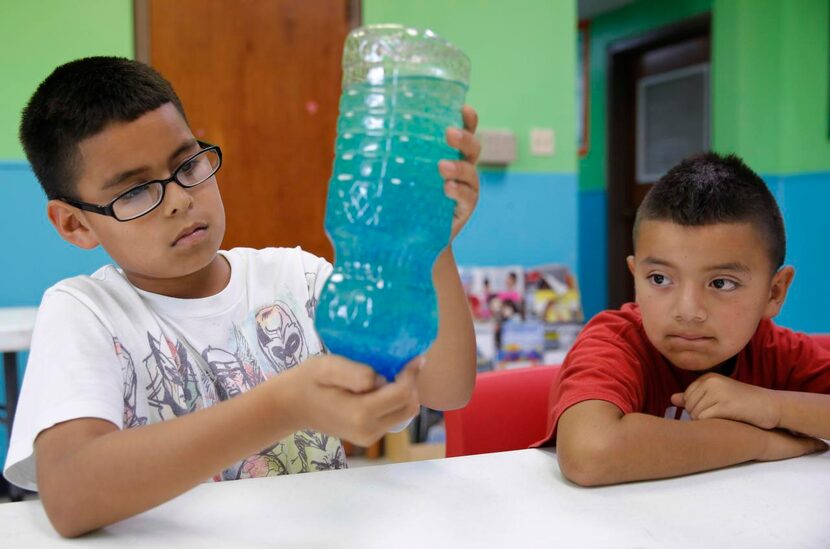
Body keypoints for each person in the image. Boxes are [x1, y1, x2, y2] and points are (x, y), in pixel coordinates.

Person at [2, 56, 480, 536]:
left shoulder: (298, 277)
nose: (178, 199)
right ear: (75, 223)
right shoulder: (85, 312)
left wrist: (431, 244)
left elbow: (444, 388)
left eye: (188, 164)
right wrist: (282, 407)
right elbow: (70, 495)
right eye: (135, 192)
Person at [538, 152, 830, 486]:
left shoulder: (776, 351)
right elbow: (589, 453)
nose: (688, 311)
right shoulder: (616, 343)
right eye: (660, 279)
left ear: (774, 292)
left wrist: (771, 406)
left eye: (721, 283)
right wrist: (758, 441)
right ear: (636, 278)